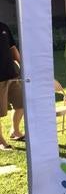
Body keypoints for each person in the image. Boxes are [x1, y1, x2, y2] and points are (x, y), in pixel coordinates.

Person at [0, 21, 25, 150]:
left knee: (21, 104)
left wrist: (22, 65)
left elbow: (12, 48)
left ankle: (15, 131)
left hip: (12, 75)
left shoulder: (4, 26)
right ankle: (1, 141)